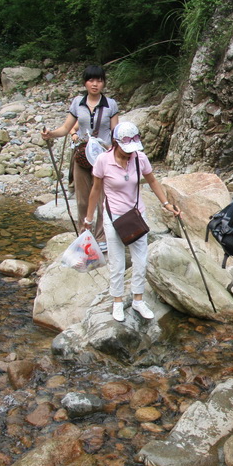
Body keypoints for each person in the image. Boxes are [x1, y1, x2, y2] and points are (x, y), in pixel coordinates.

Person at [84, 121, 179, 322]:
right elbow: (95, 189)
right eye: (126, 150)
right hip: (113, 216)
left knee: (141, 260)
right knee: (117, 262)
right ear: (116, 143)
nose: (130, 154)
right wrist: (89, 218)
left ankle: (138, 299)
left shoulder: (139, 158)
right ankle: (117, 301)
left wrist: (166, 204)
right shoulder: (103, 160)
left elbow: (152, 181)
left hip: (136, 215)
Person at [42, 65, 119, 251]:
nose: (95, 84)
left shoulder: (110, 104)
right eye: (91, 80)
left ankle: (101, 237)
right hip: (82, 155)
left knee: (102, 199)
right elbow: (66, 128)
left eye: (99, 80)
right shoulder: (78, 103)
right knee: (82, 199)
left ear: (103, 83)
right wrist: (50, 134)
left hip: (103, 157)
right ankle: (84, 235)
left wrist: (118, 154)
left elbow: (116, 132)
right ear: (85, 82)